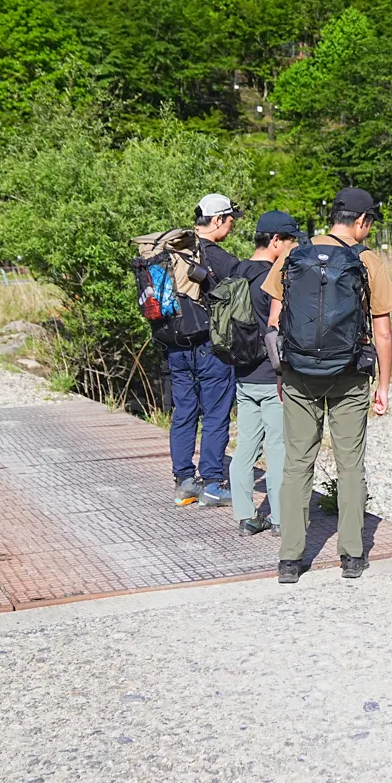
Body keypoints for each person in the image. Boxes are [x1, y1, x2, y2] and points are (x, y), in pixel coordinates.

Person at [262, 188, 392, 582]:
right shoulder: (367, 261)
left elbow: (275, 325)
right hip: (351, 376)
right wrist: (384, 387)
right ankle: (352, 556)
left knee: (296, 464)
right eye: (369, 222)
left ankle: (290, 559)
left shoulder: (294, 255)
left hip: (301, 374)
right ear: (360, 221)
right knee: (351, 465)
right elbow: (383, 334)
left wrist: (281, 374)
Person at [168, 193, 242, 507]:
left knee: (183, 412)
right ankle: (212, 483)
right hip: (209, 346)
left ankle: (185, 483)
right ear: (216, 221)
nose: (233, 224)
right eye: (230, 219)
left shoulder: (173, 252)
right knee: (214, 414)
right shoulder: (216, 256)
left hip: (174, 343)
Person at [228, 211, 299, 534]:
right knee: (278, 448)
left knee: (245, 448)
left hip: (243, 374)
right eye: (290, 240)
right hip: (273, 377)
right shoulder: (274, 278)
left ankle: (245, 516)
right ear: (275, 241)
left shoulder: (236, 271)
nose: (293, 247)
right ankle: (281, 519)